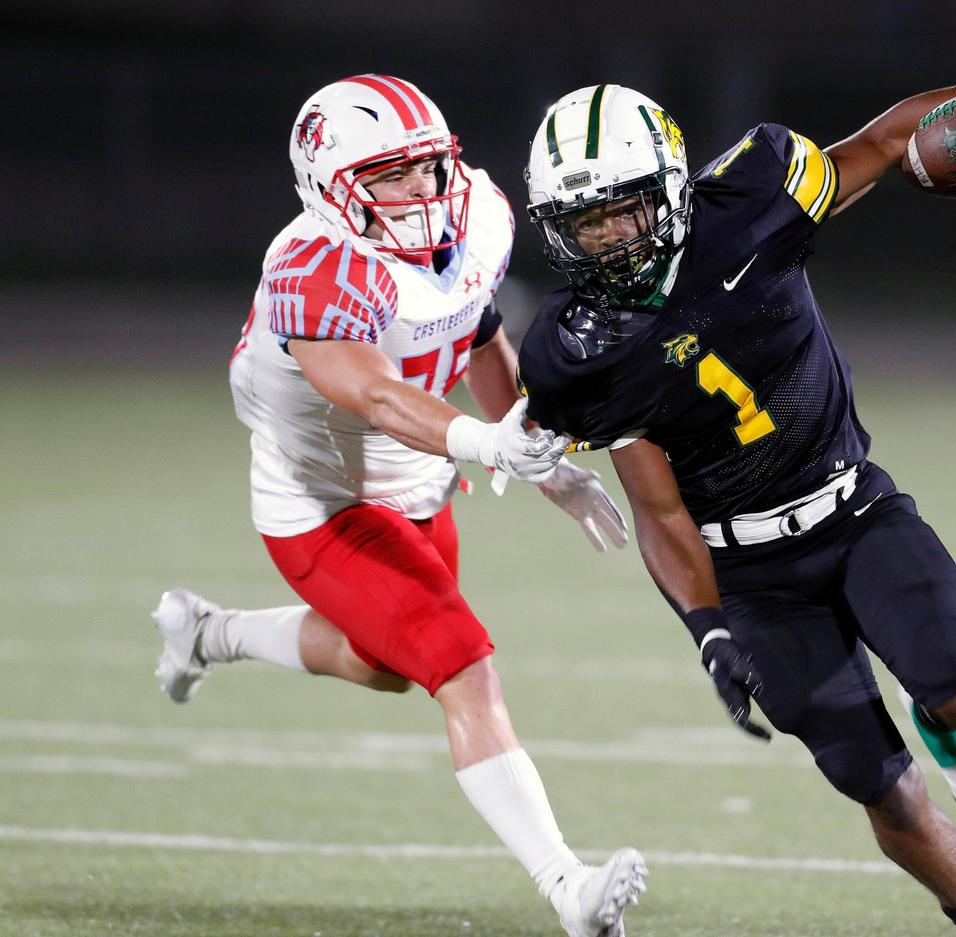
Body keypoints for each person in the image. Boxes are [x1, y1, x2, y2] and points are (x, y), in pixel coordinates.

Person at [517, 67, 956, 937]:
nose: (613, 238)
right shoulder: (574, 351)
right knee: (878, 787)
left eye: (626, 208)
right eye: (587, 222)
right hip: (749, 575)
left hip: (853, 509)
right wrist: (708, 630)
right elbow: (660, 512)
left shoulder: (753, 197)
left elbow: (890, 140)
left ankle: (950, 726)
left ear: (669, 182)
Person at [150, 73, 645, 937]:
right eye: (392, 176)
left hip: (420, 472)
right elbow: (374, 395)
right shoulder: (312, 268)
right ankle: (570, 887)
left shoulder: (476, 213)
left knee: (388, 664)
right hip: (325, 499)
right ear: (331, 190)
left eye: (427, 167)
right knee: (463, 668)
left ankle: (208, 631)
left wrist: (540, 449)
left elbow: (478, 326)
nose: (422, 192)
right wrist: (486, 445)